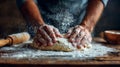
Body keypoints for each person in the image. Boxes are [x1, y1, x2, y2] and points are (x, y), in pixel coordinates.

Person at [16, 0, 108, 49]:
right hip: (40, 25)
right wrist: (38, 24)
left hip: (82, 24)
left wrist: (86, 26)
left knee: (79, 41)